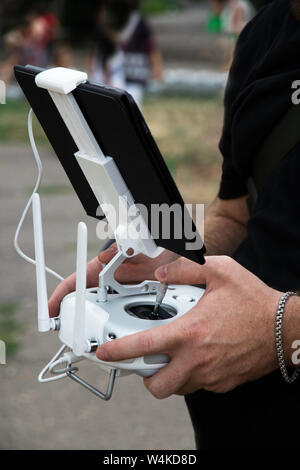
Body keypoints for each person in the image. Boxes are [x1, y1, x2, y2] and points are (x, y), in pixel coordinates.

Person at [49, 0, 300, 450]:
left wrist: (281, 331)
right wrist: (173, 249)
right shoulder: (265, 36)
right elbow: (236, 212)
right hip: (230, 417)